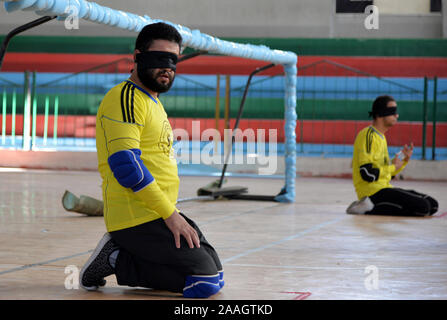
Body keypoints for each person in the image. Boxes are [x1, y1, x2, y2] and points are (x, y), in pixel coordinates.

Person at [79, 22, 224, 298]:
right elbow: (126, 166)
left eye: (173, 60)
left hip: (160, 212)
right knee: (203, 282)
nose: (167, 67)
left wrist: (172, 213)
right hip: (136, 217)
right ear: (137, 56)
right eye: (159, 58)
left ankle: (125, 255)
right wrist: (172, 217)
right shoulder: (125, 97)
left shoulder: (153, 101)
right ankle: (114, 258)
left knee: (215, 276)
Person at [347, 95, 438, 216]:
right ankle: (367, 208)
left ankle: (376, 206)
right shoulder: (368, 135)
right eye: (392, 112)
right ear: (379, 114)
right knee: (423, 207)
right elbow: (367, 174)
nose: (397, 115)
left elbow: (387, 176)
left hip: (385, 187)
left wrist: (402, 161)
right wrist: (392, 167)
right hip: (372, 192)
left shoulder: (381, 137)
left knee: (432, 205)